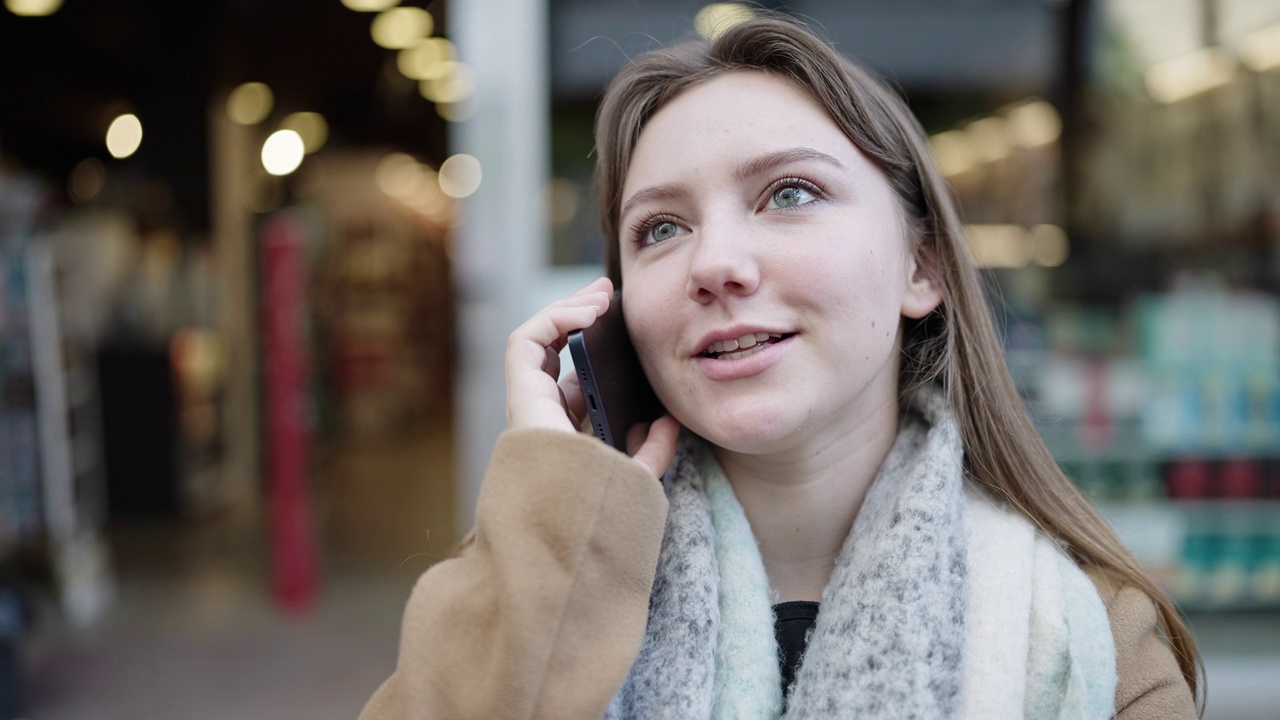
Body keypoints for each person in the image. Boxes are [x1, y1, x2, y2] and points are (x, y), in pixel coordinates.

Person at [361, 15, 1201, 719]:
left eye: (789, 194)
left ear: (923, 268)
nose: (715, 263)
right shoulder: (537, 578)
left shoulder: (1089, 640)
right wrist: (556, 512)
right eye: (660, 229)